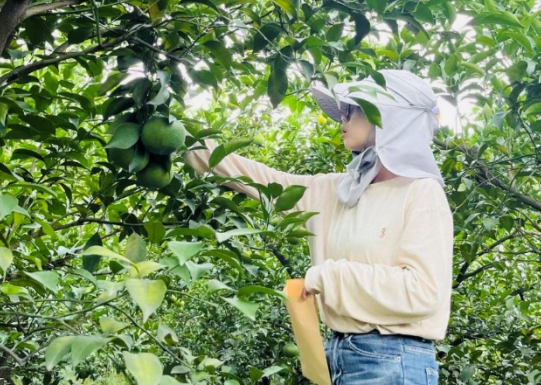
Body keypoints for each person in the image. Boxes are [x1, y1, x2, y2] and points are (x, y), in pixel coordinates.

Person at [183, 69, 453, 385]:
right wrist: (184, 140)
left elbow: (423, 293)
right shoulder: (339, 191)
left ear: (388, 117)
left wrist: (327, 275)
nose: (343, 119)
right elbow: (260, 179)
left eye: (352, 110)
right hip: (340, 355)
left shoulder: (421, 193)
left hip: (394, 360)